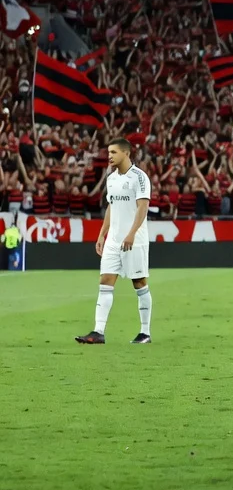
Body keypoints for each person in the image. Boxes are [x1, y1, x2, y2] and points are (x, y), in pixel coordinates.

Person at [75, 139, 153, 344]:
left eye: (114, 152)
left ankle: (145, 333)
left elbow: (142, 208)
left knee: (139, 283)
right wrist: (102, 234)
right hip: (113, 241)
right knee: (105, 283)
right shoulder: (111, 178)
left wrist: (131, 234)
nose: (109, 155)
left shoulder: (140, 178)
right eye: (108, 151)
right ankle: (98, 332)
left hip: (134, 240)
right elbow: (111, 207)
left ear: (126, 153)